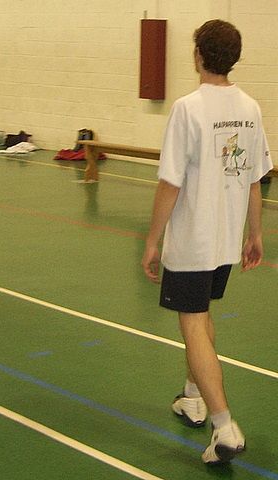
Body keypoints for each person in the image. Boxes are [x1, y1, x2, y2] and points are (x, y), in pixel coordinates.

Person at [141, 20, 272, 464]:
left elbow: (170, 183)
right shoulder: (250, 107)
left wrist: (153, 239)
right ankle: (193, 396)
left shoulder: (188, 108)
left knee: (192, 323)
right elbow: (256, 178)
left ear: (198, 54)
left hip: (195, 239)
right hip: (224, 240)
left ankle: (223, 427)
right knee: (201, 314)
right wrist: (255, 234)